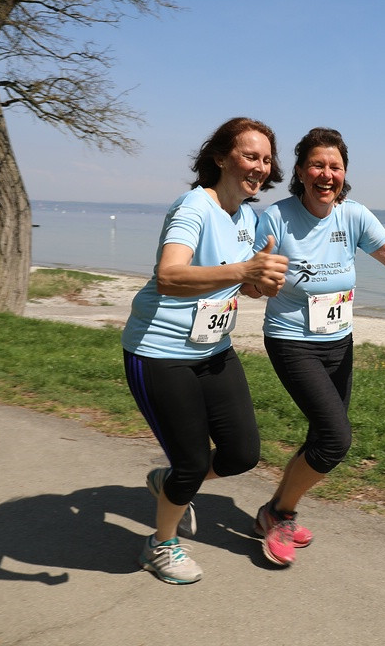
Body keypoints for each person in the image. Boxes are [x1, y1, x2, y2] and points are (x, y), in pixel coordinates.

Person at [250, 127, 385, 566]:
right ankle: (278, 512)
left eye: (335, 167)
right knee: (336, 439)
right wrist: (256, 279)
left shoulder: (354, 216)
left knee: (320, 433)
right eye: (318, 166)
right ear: (301, 172)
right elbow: (249, 278)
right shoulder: (275, 219)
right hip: (291, 339)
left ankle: (276, 513)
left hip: (339, 342)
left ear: (344, 175)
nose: (327, 175)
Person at [121, 117, 290, 584]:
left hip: (213, 348)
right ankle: (160, 545)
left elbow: (242, 281)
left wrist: (261, 281)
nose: (259, 167)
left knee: (241, 453)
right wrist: (244, 269)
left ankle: (169, 484)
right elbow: (170, 277)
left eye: (266, 159)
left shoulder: (249, 217)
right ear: (220, 158)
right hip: (159, 351)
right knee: (192, 462)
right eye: (249, 156)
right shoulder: (194, 207)